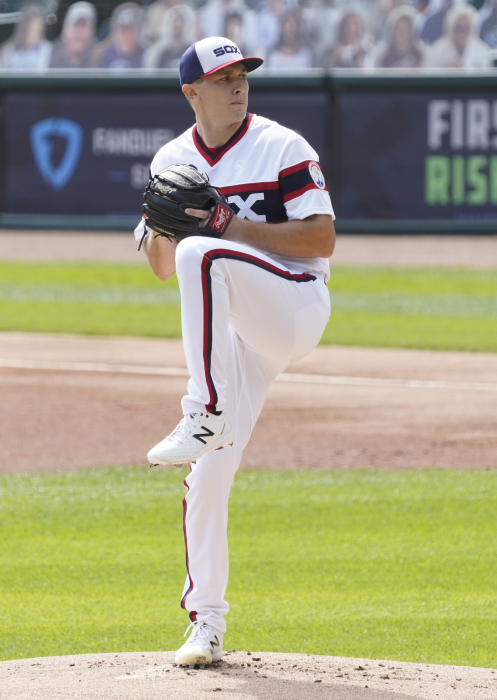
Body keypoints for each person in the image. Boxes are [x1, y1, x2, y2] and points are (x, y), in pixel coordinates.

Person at [135, 35, 335, 665]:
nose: (237, 84)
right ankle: (207, 623)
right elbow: (162, 266)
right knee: (207, 473)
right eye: (222, 78)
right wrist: (162, 223)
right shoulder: (172, 157)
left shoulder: (283, 146)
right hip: (240, 334)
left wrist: (228, 225)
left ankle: (203, 409)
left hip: (295, 305)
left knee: (204, 250)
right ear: (192, 92)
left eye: (241, 74)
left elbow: (322, 240)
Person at [427, 4, 491, 68]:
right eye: (458, 27)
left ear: (473, 30)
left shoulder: (482, 52)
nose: (462, 31)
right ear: (450, 28)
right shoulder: (437, 51)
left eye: (466, 27)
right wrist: (445, 71)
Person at [0, 3, 51, 70]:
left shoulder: (47, 50)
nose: (28, 31)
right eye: (25, 26)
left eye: (32, 28)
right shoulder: (8, 50)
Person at [49, 1, 96, 68]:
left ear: (92, 31)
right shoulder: (47, 54)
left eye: (83, 26)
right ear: (65, 30)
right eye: (76, 26)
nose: (79, 32)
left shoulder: (100, 58)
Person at [98, 3, 144, 69]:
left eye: (130, 30)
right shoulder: (104, 54)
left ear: (137, 31)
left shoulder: (145, 54)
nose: (126, 35)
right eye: (123, 30)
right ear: (115, 31)